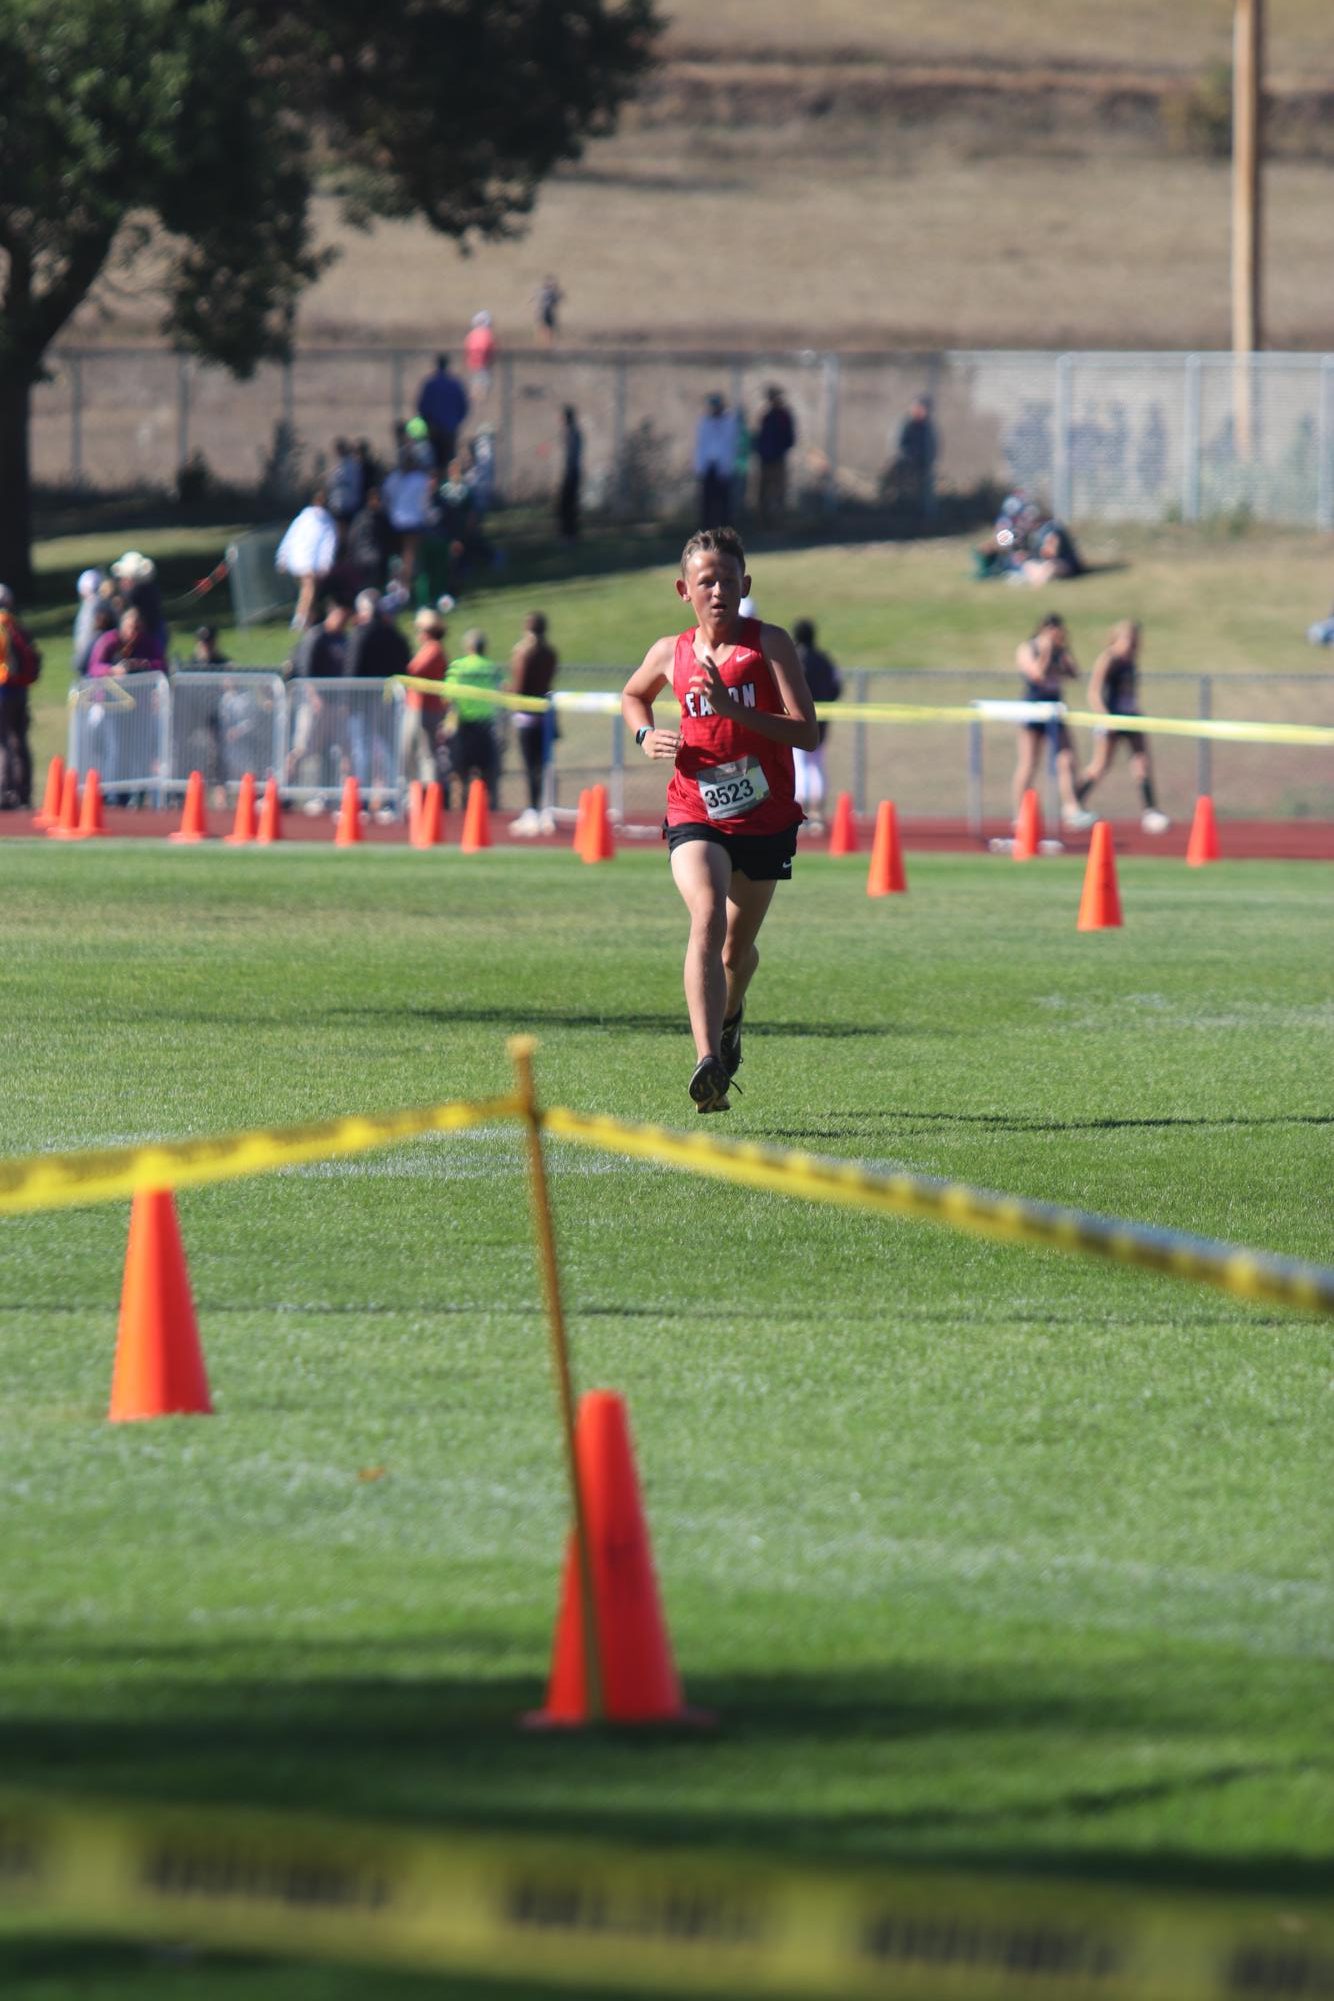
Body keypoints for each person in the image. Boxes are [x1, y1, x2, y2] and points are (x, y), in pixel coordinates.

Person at [620, 526, 818, 1116]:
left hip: (764, 818)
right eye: (707, 581)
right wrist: (644, 732)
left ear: (746, 585)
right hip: (694, 809)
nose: (718, 591)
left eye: (728, 581)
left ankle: (731, 1019)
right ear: (685, 589)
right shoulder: (670, 652)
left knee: (736, 952)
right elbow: (634, 694)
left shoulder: (770, 645)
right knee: (705, 915)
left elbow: (806, 732)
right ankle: (708, 1062)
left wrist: (736, 710)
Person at [1075, 621, 1170, 833]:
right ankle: (1074, 803)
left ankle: (1151, 811)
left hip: (1131, 717)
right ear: (1117, 638)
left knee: (1142, 762)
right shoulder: (1109, 659)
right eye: (1128, 639)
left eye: (1134, 640)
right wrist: (1104, 717)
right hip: (1111, 719)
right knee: (1100, 766)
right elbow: (1094, 691)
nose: (1131, 644)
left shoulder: (1131, 661)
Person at [1013, 613, 1093, 830]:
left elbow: (1075, 673)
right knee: (1029, 762)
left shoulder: (1061, 651)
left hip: (1054, 708)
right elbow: (1036, 674)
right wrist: (1047, 651)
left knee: (1066, 759)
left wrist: (1064, 650)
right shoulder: (1028, 648)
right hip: (1033, 707)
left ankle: (1071, 808)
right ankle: (1021, 812)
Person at [508, 611, 559, 834]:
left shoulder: (524, 653)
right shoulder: (550, 653)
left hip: (527, 716)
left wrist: (507, 692)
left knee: (530, 766)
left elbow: (520, 686)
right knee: (543, 765)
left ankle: (533, 810)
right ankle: (545, 809)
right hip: (545, 715)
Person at [444, 628, 505, 808]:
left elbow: (447, 696)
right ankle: (492, 811)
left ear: (467, 646)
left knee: (461, 774)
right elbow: (502, 692)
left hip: (464, 725)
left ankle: (464, 812)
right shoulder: (492, 668)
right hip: (486, 725)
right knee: (489, 775)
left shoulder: (458, 667)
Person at [791, 618, 842, 833]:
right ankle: (817, 814)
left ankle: (801, 814)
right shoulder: (825, 660)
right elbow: (836, 686)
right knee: (817, 764)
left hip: (799, 719)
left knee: (800, 764)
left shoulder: (794, 659)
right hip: (822, 719)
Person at [0, 585, 41, 809]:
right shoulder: (17, 626)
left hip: (2, 688)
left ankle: (5, 792)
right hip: (20, 689)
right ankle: (23, 791)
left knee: (2, 742)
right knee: (19, 740)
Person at [275, 489, 338, 633]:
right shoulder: (315, 520)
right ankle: (300, 619)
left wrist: (283, 557)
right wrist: (283, 556)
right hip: (305, 562)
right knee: (308, 591)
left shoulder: (308, 519)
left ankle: (309, 620)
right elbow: (328, 544)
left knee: (308, 592)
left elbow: (328, 543)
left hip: (301, 561)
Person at [401, 606, 449, 789]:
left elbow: (413, 670)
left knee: (425, 753)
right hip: (420, 706)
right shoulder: (430, 649)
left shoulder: (433, 649)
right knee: (414, 752)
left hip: (424, 708)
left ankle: (429, 793)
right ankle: (417, 791)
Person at [380, 446, 435, 594]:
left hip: (395, 520)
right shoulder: (420, 479)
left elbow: (386, 498)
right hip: (413, 521)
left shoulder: (394, 478)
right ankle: (405, 585)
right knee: (409, 554)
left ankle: (395, 581)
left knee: (398, 554)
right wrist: (429, 517)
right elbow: (425, 502)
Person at [694, 394, 740, 529]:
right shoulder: (705, 422)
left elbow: (731, 445)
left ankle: (725, 529)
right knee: (707, 501)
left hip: (723, 467)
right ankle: (706, 528)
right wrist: (700, 466)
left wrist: (727, 466)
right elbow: (701, 445)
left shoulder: (729, 422)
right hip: (708, 466)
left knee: (724, 501)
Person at [416, 354, 469, 472]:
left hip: (434, 430)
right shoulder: (455, 384)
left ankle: (437, 487)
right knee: (449, 462)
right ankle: (446, 486)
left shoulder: (430, 384)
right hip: (450, 429)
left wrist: (429, 423)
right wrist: (455, 422)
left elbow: (422, 407)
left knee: (434, 463)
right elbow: (464, 407)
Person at [891, 394, 937, 525]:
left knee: (924, 489)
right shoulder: (905, 424)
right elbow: (899, 446)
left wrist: (926, 460)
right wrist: (909, 458)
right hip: (906, 464)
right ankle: (899, 511)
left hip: (922, 464)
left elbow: (933, 447)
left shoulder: (928, 426)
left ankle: (924, 514)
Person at [753, 386, 796, 525]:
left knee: (779, 491)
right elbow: (760, 436)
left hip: (778, 459)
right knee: (763, 492)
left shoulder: (784, 415)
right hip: (765, 459)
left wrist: (779, 450)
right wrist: (761, 450)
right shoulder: (766, 416)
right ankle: (764, 521)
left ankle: (778, 521)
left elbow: (790, 438)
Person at [72, 568, 105, 677]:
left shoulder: (91, 607)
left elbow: (85, 637)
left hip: (90, 660)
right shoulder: (97, 605)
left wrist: (81, 660)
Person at [557, 405, 582, 541]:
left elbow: (572, 457)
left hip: (572, 473)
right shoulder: (571, 433)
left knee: (567, 506)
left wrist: (570, 475)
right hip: (571, 473)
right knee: (566, 505)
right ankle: (568, 534)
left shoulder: (573, 433)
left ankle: (570, 535)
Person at [464, 311, 496, 400]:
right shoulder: (487, 334)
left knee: (475, 380)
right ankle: (481, 397)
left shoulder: (472, 334)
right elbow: (490, 347)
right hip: (483, 363)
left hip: (472, 363)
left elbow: (467, 347)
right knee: (485, 381)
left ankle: (475, 395)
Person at [535, 275, 562, 345]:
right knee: (544, 327)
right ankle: (543, 343)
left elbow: (556, 301)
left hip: (549, 312)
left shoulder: (550, 292)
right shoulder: (545, 291)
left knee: (549, 328)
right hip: (544, 311)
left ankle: (548, 343)